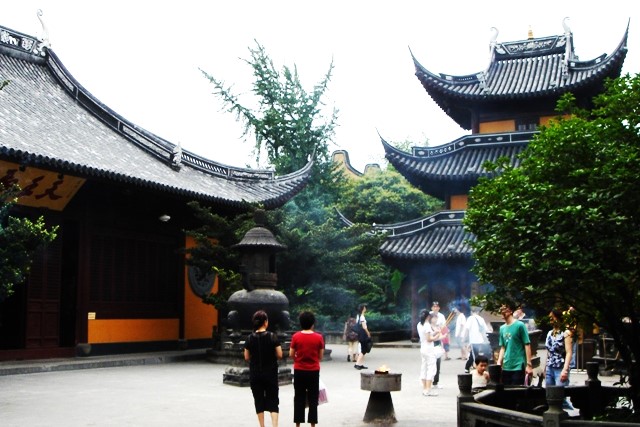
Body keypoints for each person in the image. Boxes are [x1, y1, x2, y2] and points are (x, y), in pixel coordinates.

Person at [243, 310, 283, 427]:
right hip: (270, 373)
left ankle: (262, 426)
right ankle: (275, 425)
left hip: (255, 374)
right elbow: (280, 355)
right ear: (265, 322)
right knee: (273, 399)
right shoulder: (272, 336)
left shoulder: (249, 338)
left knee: (258, 400)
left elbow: (246, 357)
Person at [290, 311, 325, 427]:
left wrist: (298, 359)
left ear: (300, 323)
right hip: (313, 371)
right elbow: (320, 356)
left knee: (299, 397)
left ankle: (298, 425)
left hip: (299, 370)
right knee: (313, 399)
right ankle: (312, 425)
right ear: (312, 324)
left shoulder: (296, 336)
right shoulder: (319, 337)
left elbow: (291, 354)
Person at [496, 304, 533, 385]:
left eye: (505, 309)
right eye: (501, 309)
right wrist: (499, 362)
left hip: (518, 365)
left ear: (510, 311)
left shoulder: (520, 325)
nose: (502, 311)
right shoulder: (502, 328)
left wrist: (529, 364)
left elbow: (527, 344)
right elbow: (503, 347)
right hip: (506, 366)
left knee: (517, 391)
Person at [545, 308, 573, 388]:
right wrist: (545, 369)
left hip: (560, 367)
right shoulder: (549, 333)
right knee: (550, 395)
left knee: (560, 395)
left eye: (552, 317)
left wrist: (565, 370)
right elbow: (548, 352)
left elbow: (569, 352)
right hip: (549, 367)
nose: (551, 319)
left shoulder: (566, 333)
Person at [418, 309, 442, 396]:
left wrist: (436, 332)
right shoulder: (427, 325)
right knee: (431, 368)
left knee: (424, 367)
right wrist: (437, 336)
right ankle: (428, 389)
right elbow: (429, 339)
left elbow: (426, 335)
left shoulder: (419, 324)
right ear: (428, 317)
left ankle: (425, 388)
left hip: (422, 348)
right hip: (428, 349)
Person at [464, 306, 490, 373]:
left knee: (475, 355)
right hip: (481, 340)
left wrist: (464, 338)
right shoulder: (481, 319)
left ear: (472, 312)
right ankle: (467, 367)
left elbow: (467, 329)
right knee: (474, 354)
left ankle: (477, 369)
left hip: (474, 340)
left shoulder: (470, 318)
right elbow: (486, 329)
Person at [430, 301, 446, 388]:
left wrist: (443, 335)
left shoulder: (442, 316)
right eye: (434, 306)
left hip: (438, 342)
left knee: (438, 363)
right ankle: (429, 381)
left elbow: (443, 327)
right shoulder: (428, 316)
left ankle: (435, 381)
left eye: (437, 306)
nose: (435, 308)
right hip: (431, 344)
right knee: (431, 363)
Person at [354, 303, 371, 370]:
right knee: (363, 350)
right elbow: (364, 327)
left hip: (361, 334)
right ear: (363, 309)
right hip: (363, 334)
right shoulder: (362, 317)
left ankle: (360, 364)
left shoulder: (359, 316)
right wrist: (368, 333)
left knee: (364, 349)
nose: (366, 309)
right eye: (365, 307)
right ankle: (357, 364)